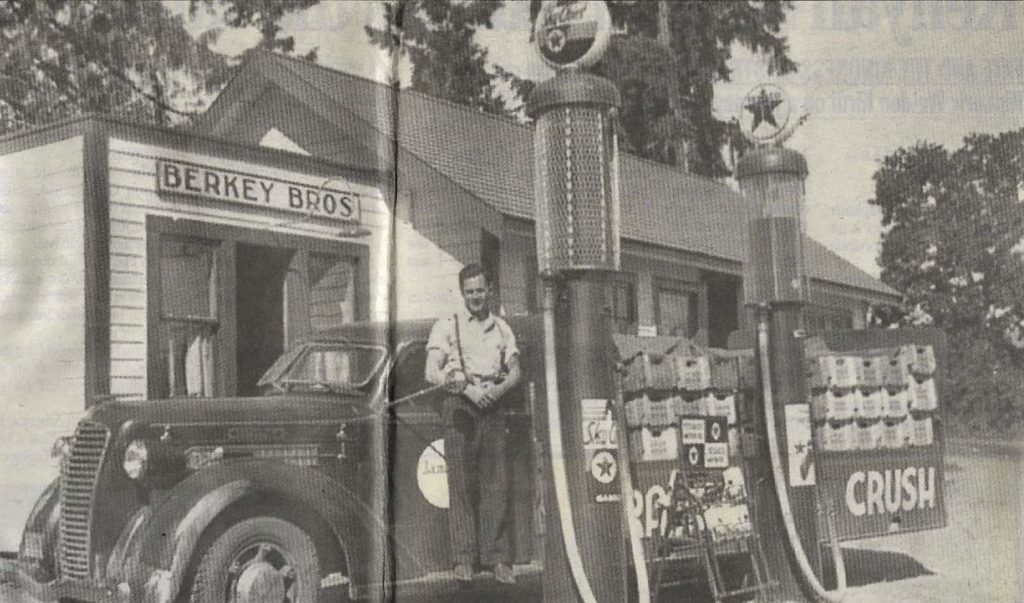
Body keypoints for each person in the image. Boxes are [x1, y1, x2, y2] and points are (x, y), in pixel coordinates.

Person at [425, 264, 521, 585]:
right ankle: (463, 560)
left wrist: (495, 391)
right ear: (462, 293)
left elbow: (516, 372)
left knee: (495, 483)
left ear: (489, 289)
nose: (475, 297)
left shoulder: (502, 329)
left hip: (493, 405)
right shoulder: (447, 326)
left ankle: (498, 560)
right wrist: (466, 388)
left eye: (480, 290)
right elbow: (430, 371)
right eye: (469, 292)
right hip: (458, 405)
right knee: (462, 485)